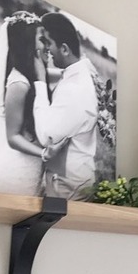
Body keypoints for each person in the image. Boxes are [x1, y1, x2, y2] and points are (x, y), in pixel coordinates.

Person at [0, 11, 55, 196]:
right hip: (18, 166)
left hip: (31, 162)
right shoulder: (19, 83)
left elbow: (62, 76)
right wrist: (45, 154)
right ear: (27, 44)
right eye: (43, 40)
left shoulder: (35, 74)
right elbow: (13, 137)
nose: (48, 46)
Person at [33, 12, 98, 200]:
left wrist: (39, 82)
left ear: (64, 49)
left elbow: (46, 135)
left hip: (66, 186)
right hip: (80, 173)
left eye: (48, 43)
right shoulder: (85, 69)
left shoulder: (74, 89)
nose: (46, 49)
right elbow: (63, 77)